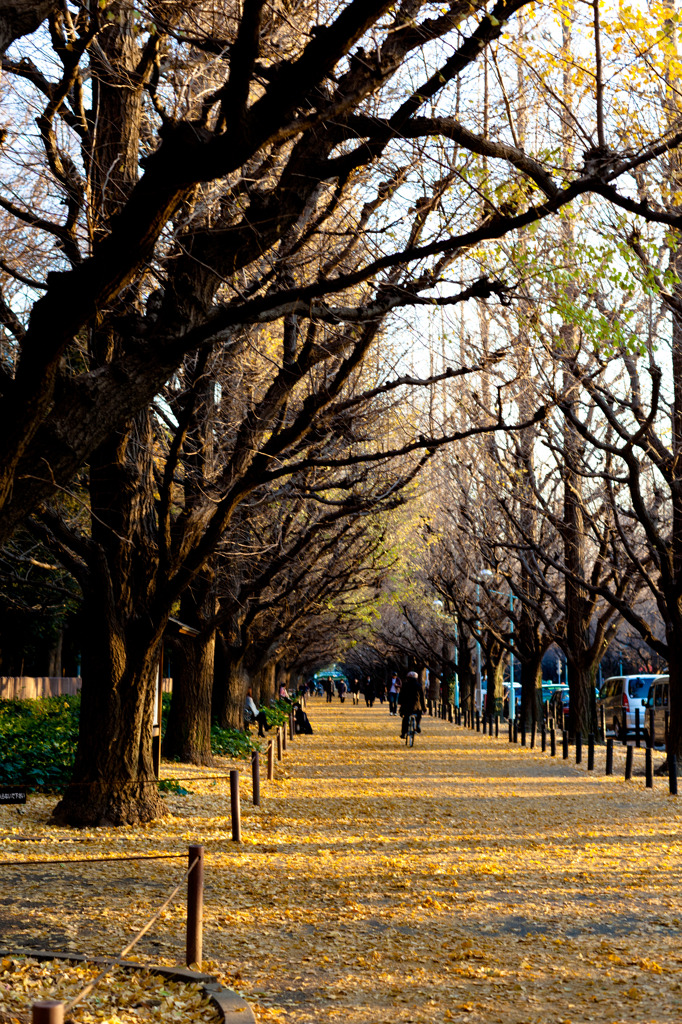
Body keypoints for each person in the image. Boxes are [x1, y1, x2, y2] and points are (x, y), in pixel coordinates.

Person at [399, 670, 426, 739]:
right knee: (419, 715)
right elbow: (422, 698)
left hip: (406, 706)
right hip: (416, 706)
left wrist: (400, 703)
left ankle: (403, 733)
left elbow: (401, 695)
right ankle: (418, 725)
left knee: (405, 718)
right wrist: (424, 708)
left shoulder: (405, 685)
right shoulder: (419, 686)